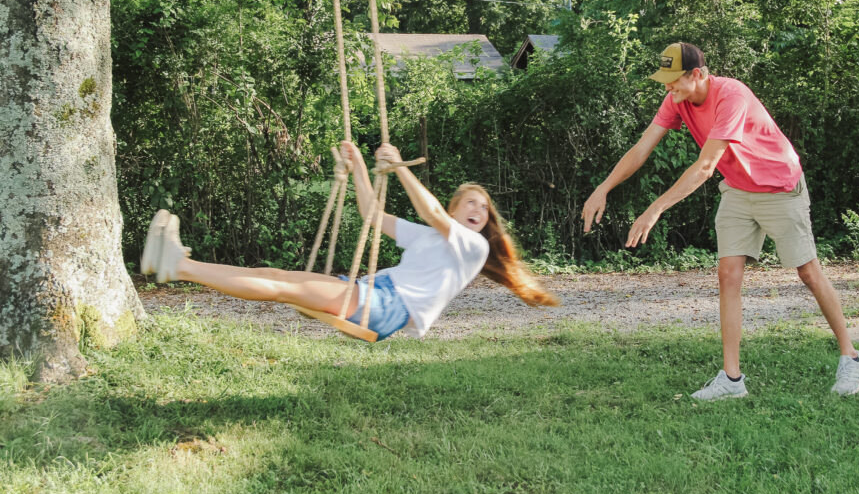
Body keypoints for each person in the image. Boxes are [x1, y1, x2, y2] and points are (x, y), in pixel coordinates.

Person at [582, 42, 859, 400]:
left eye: (674, 80)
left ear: (697, 74)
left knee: (807, 272)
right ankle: (732, 381)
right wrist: (603, 188)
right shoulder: (675, 100)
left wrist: (655, 208)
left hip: (778, 184)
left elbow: (705, 166)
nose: (668, 88)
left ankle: (851, 358)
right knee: (728, 274)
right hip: (738, 188)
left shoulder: (730, 95)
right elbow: (643, 147)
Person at [141, 141, 559, 340]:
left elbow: (428, 209)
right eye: (468, 204)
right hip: (375, 294)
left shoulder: (475, 247)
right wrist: (360, 164)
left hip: (386, 306)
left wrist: (398, 169)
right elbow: (372, 215)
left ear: (485, 222)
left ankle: (177, 267)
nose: (476, 210)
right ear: (454, 212)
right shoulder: (432, 237)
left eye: (482, 208)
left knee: (280, 287)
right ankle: (177, 260)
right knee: (271, 274)